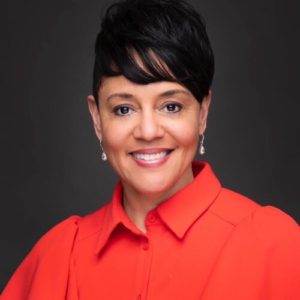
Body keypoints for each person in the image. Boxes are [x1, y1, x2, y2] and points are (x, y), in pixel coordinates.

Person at [2, 0, 300, 299]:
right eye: (123, 109)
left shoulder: (274, 246)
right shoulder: (61, 257)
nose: (148, 132)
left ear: (203, 113)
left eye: (171, 106)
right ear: (96, 119)